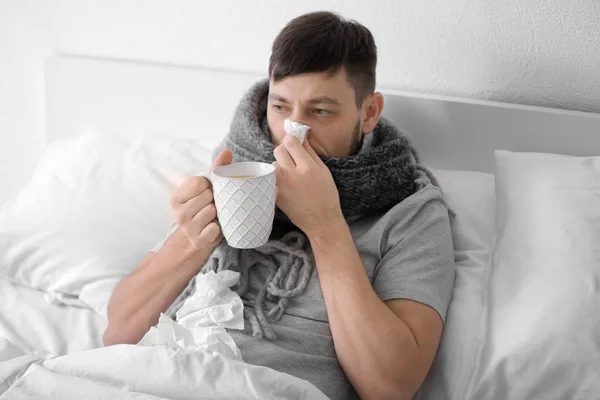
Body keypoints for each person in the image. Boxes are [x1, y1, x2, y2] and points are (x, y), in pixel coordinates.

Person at [103, 11, 455, 400]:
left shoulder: (409, 209)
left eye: (320, 111)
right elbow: (117, 334)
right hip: (145, 379)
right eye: (281, 107)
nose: (293, 131)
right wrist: (190, 242)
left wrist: (325, 226)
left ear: (369, 112)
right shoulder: (234, 170)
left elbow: (391, 387)